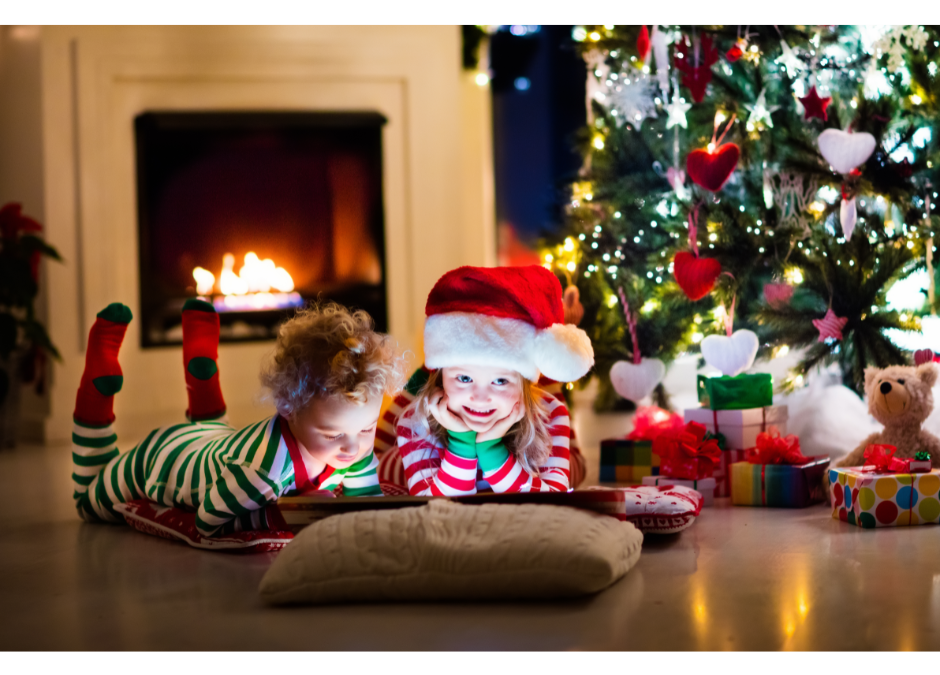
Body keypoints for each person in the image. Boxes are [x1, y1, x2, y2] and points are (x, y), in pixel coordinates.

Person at [71, 300, 405, 538]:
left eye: (367, 427)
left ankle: (203, 370)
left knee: (216, 428)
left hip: (216, 440)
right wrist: (283, 512)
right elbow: (207, 520)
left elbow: (366, 504)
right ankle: (94, 392)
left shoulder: (354, 442)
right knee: (89, 499)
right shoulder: (264, 472)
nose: (353, 446)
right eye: (332, 435)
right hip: (162, 458)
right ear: (288, 407)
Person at [392, 265, 594, 496]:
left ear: (523, 382)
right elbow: (431, 511)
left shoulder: (551, 414)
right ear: (440, 376)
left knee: (576, 467)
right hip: (396, 462)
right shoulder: (413, 424)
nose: (480, 398)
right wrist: (461, 445)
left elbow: (553, 503)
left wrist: (492, 451)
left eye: (500, 381)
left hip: (532, 415)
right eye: (465, 378)